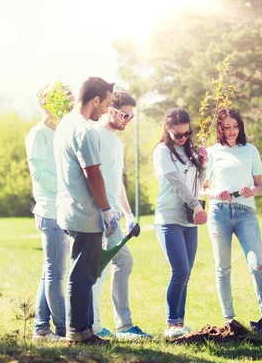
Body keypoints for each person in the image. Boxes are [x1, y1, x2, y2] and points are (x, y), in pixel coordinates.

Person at [201, 109, 262, 333]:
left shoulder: (251, 151)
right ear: (219, 128)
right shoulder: (211, 153)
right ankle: (229, 320)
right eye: (226, 127)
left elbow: (259, 185)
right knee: (223, 268)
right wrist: (216, 192)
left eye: (234, 126)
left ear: (240, 126)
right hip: (219, 213)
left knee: (258, 264)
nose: (231, 131)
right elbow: (201, 189)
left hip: (245, 212)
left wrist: (252, 191)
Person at [54, 76, 118, 346]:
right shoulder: (83, 130)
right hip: (85, 213)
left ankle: (86, 330)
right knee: (82, 275)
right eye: (106, 104)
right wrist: (106, 211)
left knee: (84, 274)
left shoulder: (64, 125)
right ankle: (78, 333)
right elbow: (93, 174)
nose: (106, 110)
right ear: (94, 100)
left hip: (69, 210)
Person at [91, 91, 151, 339]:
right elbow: (90, 177)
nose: (128, 120)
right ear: (110, 110)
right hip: (98, 213)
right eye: (125, 115)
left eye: (132, 116)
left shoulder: (116, 141)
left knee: (122, 262)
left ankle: (123, 326)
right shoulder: (94, 135)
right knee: (98, 270)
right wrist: (104, 212)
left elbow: (117, 182)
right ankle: (94, 327)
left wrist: (129, 215)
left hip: (114, 214)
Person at [152, 107, 208, 339]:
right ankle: (171, 325)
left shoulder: (190, 152)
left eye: (187, 133)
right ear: (168, 129)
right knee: (180, 271)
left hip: (188, 220)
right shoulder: (162, 151)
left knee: (187, 273)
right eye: (178, 135)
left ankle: (180, 324)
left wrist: (203, 165)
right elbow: (175, 181)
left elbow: (198, 183)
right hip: (169, 218)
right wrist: (196, 206)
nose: (183, 138)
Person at [25, 83, 73, 342]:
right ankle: (64, 330)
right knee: (56, 274)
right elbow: (39, 174)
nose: (67, 107)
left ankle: (41, 330)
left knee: (49, 272)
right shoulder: (38, 134)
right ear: (49, 104)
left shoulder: (61, 132)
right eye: (64, 102)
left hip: (63, 209)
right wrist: (69, 185)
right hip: (50, 211)